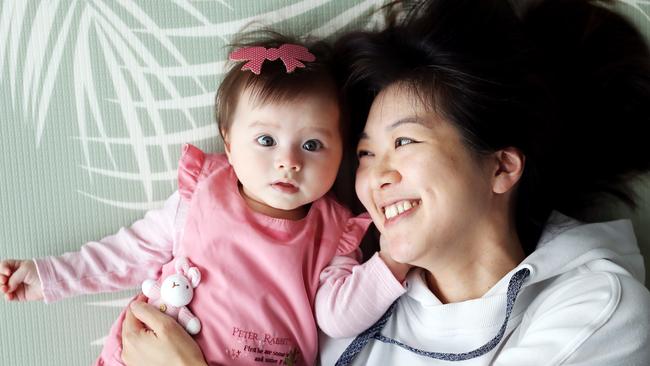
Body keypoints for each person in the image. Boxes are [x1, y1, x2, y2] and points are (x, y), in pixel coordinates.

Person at [112, 0, 650, 365]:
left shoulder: (594, 306)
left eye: (406, 142)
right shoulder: (352, 302)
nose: (377, 176)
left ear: (501, 167)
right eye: (366, 152)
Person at [0, 30, 409, 366]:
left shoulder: (334, 231)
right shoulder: (200, 197)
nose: (288, 162)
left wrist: (392, 261)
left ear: (341, 154)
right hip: (151, 351)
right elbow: (128, 253)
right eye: (266, 140)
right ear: (229, 146)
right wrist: (50, 276)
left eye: (313, 144)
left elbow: (337, 317)